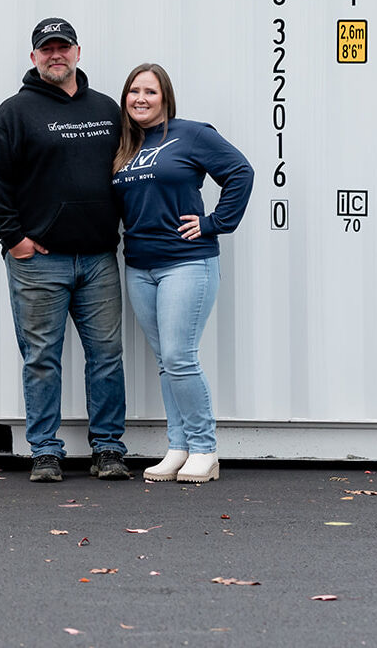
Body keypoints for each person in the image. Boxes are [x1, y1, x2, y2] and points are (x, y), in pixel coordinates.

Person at [0, 19, 129, 483]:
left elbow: (132, 170)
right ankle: (45, 449)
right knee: (41, 358)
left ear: (78, 52)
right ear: (34, 57)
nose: (55, 55)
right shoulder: (14, 114)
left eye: (63, 47)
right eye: (47, 49)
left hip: (99, 258)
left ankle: (108, 448)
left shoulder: (107, 110)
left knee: (106, 356)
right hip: (39, 261)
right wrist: (13, 239)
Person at [112, 63, 253, 484]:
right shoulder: (124, 146)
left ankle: (204, 449)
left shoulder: (191, 134)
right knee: (166, 361)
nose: (140, 98)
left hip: (186, 262)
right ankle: (178, 447)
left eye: (149, 92)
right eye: (133, 91)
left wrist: (213, 223)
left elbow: (240, 172)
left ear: (165, 97)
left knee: (179, 356)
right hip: (140, 266)